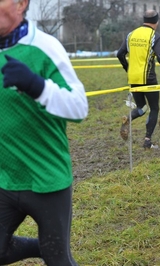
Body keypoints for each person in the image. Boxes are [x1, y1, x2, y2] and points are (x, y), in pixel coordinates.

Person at [0, 0, 88, 265]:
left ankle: (54, 249)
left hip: (46, 179)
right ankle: (46, 246)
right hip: (5, 179)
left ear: (21, 4)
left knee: (58, 259)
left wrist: (36, 86)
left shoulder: (45, 47)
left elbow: (79, 107)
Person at [117, 10, 160, 148]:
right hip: (149, 78)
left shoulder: (131, 34)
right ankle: (147, 141)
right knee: (154, 108)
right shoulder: (155, 36)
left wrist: (127, 68)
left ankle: (128, 119)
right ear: (157, 22)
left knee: (141, 108)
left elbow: (120, 54)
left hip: (133, 77)